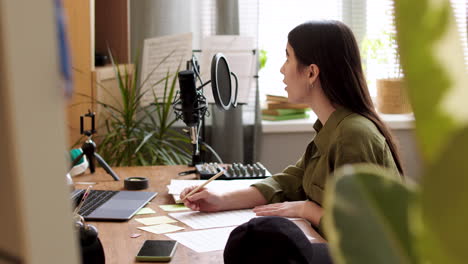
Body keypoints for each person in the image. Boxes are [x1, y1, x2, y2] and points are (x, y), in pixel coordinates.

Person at [181, 20, 403, 237]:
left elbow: (359, 234)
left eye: (288, 57)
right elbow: (287, 182)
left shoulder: (353, 135)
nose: (281, 69)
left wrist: (309, 210)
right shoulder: (331, 128)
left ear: (311, 73)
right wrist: (221, 200)